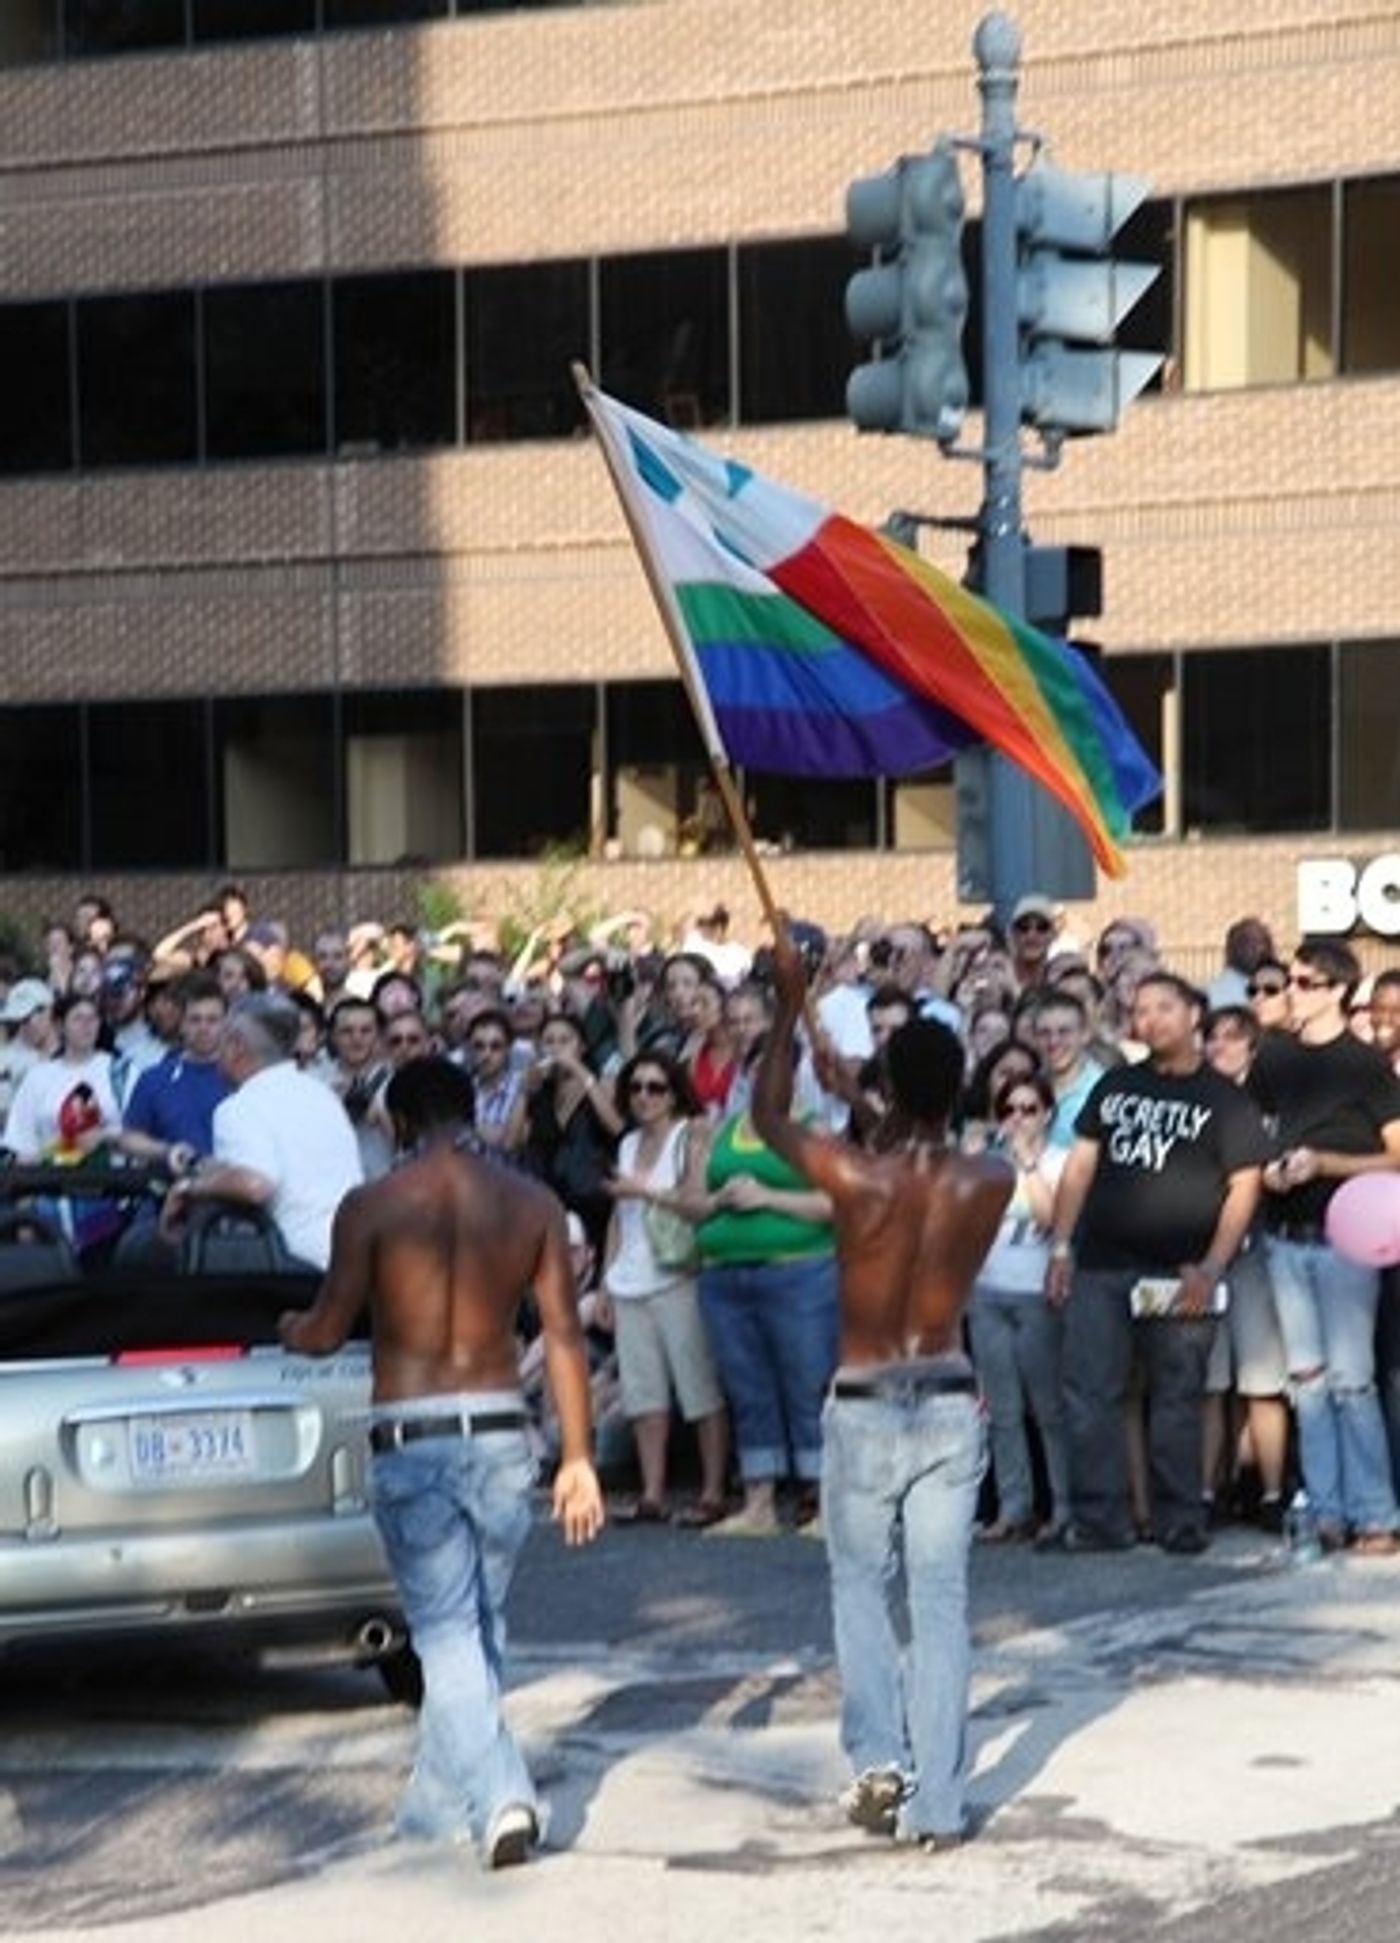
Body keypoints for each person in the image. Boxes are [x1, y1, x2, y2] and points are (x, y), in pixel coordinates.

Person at [278, 1057, 603, 1870]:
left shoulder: (374, 1203)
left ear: (393, 1121)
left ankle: (500, 1796)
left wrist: (286, 1325)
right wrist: (579, 1455)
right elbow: (562, 1334)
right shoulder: (533, 1202)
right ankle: (432, 1808)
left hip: (412, 1430)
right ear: (469, 1111)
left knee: (448, 1632)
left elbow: (326, 1329)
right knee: (477, 1627)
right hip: (501, 1427)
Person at [751, 928, 1012, 1852]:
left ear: (888, 1085)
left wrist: (790, 1010)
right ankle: (936, 1799)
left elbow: (771, 1116)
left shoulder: (856, 1175)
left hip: (866, 1397)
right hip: (946, 1393)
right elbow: (921, 1131)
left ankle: (880, 1764)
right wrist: (865, 1088)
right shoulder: (992, 1177)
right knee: (940, 1604)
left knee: (861, 1588)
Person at [1045, 973, 1268, 1555]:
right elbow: (1079, 1169)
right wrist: (1061, 1246)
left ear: (1194, 1014)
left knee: (1177, 1397)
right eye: (1141, 1010)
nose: (1151, 1019)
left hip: (1180, 1271)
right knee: (1089, 1391)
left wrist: (1213, 1265)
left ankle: (1180, 1519)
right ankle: (1099, 1520)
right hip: (1101, 1264)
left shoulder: (1226, 1099)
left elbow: (1243, 1188)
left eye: (1165, 1007)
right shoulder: (1115, 1085)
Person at [1249, 938, 1400, 1553]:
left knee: (1352, 1380)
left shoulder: (1364, 1064)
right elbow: (1255, 1135)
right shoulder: (1274, 1058)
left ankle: (1376, 1514)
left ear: (1339, 989)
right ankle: (1327, 1510)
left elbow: (1396, 1155)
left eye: (1306, 982)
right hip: (1285, 1235)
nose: (1292, 990)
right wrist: (1269, 1171)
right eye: (1291, 979)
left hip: (1346, 1238)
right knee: (1306, 1381)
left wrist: (1325, 1164)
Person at [598, 1051, 730, 1525]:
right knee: (643, 1396)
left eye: (655, 1088)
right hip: (631, 1277)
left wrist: (645, 1191)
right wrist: (605, 1284)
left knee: (699, 1390)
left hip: (677, 1275)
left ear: (674, 1093)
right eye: (635, 1088)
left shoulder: (689, 1135)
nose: (644, 1097)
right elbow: (619, 1216)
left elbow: (699, 1205)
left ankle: (713, 1490)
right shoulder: (628, 1143)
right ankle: (651, 1492)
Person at [161, 992, 363, 1271]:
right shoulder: (321, 1093)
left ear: (235, 1046)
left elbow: (255, 1184)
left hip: (295, 1268)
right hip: (354, 1260)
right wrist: (204, 1167)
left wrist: (189, 1189)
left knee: (142, 1250)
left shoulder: (239, 1107)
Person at [967, 1072, 1071, 1544]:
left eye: (1030, 1109)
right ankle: (1014, 1506)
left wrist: (1028, 1166)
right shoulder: (986, 1164)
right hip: (988, 1292)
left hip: (1037, 1295)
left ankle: (1064, 1505)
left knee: (1048, 1408)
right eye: (1010, 1110)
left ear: (1047, 1114)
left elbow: (1053, 1221)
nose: (1019, 1119)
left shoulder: (1060, 1161)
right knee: (1002, 1410)